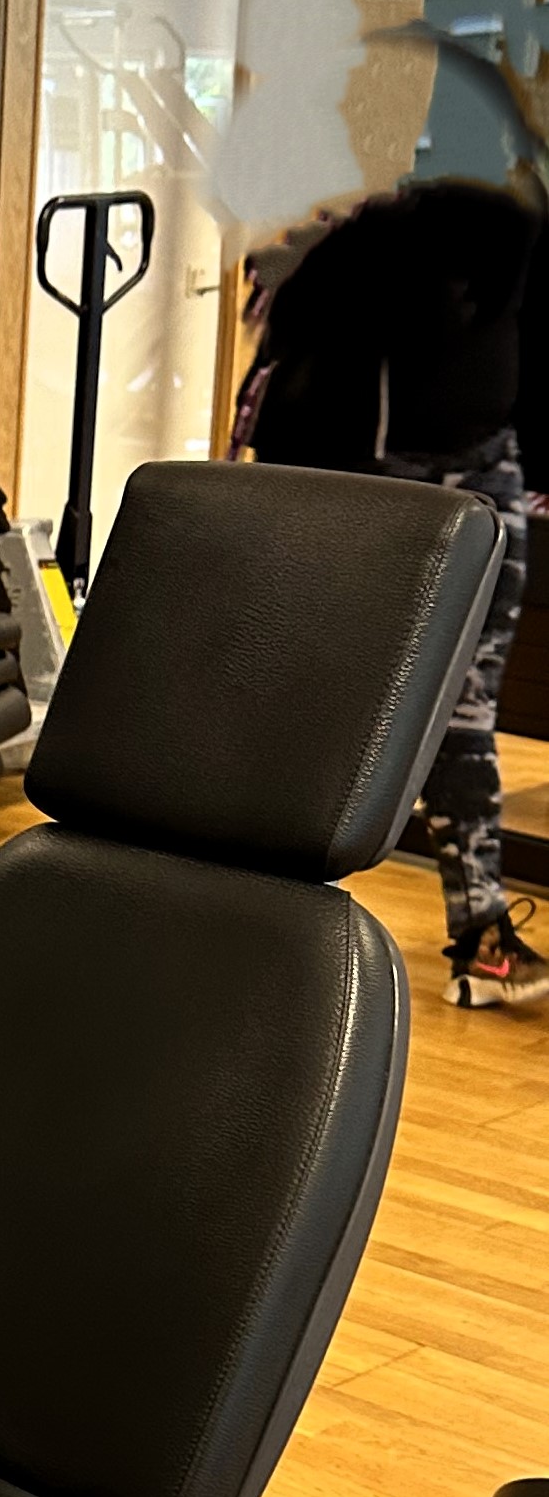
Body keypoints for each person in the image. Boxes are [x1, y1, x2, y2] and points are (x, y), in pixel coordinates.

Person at [240, 175, 546, 1006]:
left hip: (466, 477)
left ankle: (477, 934)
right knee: (341, 707)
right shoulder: (390, 249)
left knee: (448, 712)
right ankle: (264, 913)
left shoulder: (483, 239)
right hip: (388, 491)